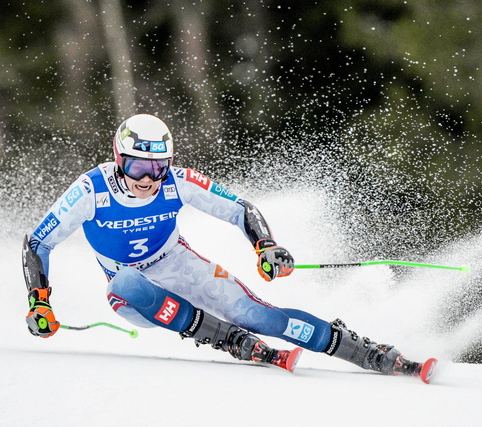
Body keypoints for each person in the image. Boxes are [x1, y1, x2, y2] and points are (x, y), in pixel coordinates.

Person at [23, 114, 436, 383]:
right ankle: (226, 339)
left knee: (261, 317)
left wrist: (266, 245)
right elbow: (38, 242)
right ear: (119, 159)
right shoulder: (89, 190)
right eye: (137, 168)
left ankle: (366, 351)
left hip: (179, 263)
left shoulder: (178, 180)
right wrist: (39, 301)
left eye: (157, 168)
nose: (148, 180)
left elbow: (240, 209)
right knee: (129, 282)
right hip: (133, 292)